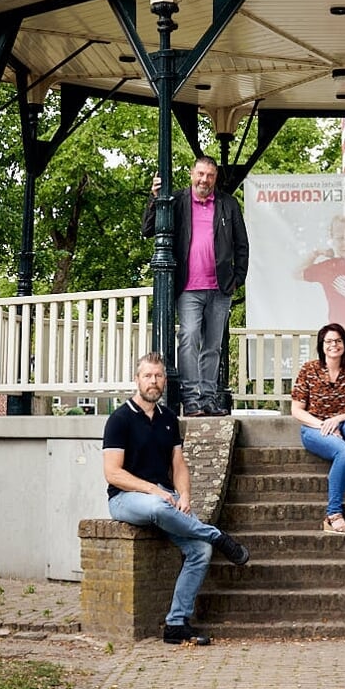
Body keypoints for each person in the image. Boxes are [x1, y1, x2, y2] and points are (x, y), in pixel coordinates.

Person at [103, 353, 251, 645]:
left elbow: (179, 464)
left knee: (200, 551)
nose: (154, 382)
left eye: (158, 376)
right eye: (148, 376)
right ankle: (218, 535)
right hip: (126, 499)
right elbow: (112, 473)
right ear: (137, 379)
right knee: (160, 505)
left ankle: (176, 624)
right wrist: (154, 490)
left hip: (164, 499)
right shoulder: (119, 419)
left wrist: (184, 494)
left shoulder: (169, 418)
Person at [143, 156, 249, 416]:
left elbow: (242, 245)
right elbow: (147, 229)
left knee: (213, 346)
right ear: (192, 174)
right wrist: (154, 199)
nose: (204, 180)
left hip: (220, 288)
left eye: (210, 175)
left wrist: (238, 278)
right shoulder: (177, 201)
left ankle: (209, 400)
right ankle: (191, 400)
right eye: (200, 174)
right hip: (188, 287)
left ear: (215, 178)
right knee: (189, 338)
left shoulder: (228, 204)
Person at [291, 323, 345, 535]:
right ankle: (333, 514)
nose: (333, 345)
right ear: (321, 345)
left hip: (342, 424)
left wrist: (335, 421)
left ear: (344, 344)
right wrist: (323, 425)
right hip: (313, 428)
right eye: (329, 341)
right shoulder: (309, 370)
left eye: (338, 341)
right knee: (343, 451)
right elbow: (297, 411)